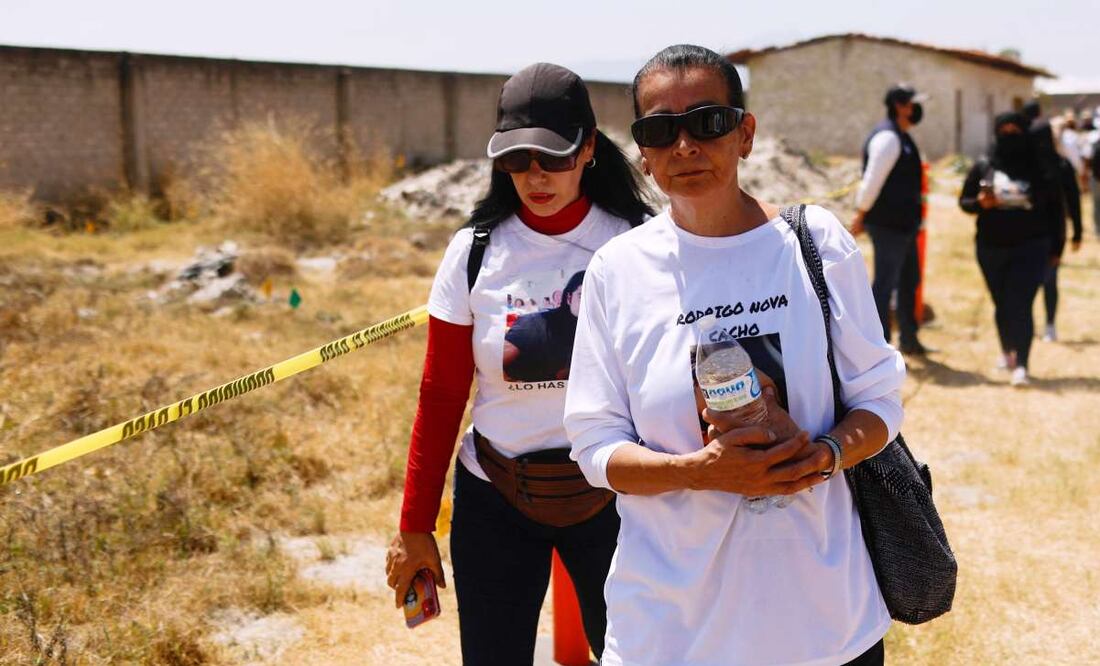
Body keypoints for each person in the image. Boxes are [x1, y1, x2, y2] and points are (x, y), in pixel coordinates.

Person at [564, 44, 905, 666]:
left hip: (822, 626)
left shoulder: (813, 244)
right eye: (661, 130)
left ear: (745, 134)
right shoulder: (618, 271)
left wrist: (825, 456)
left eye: (709, 122)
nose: (686, 146)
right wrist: (701, 471)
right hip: (670, 632)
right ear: (642, 149)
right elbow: (594, 448)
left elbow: (880, 400)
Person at [384, 62, 653, 665]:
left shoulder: (638, 241)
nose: (535, 175)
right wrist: (414, 525)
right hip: (495, 499)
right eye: (516, 157)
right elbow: (441, 393)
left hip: (616, 500)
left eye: (553, 156)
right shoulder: (473, 253)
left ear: (588, 149)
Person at [959, 112, 1060, 386]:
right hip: (991, 247)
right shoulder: (984, 165)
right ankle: (1007, 351)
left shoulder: (1040, 169)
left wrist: (1058, 246)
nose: (1010, 136)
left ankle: (1023, 365)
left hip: (1031, 246)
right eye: (1004, 130)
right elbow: (965, 202)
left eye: (1016, 131)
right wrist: (981, 203)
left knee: (1022, 303)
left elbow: (1055, 209)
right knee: (1001, 303)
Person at [850, 83, 928, 356]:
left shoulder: (903, 136)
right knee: (885, 284)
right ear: (900, 105)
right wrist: (860, 214)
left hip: (905, 226)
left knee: (909, 281)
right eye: (912, 103)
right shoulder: (888, 138)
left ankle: (909, 339)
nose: (917, 109)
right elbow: (871, 181)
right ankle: (880, 347)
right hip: (888, 225)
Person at [503, 269, 585, 381]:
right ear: (569, 298)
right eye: (581, 295)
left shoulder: (596, 331)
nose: (588, 301)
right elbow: (496, 367)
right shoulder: (534, 325)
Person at [1041, 155, 1083, 341]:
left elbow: (1073, 199)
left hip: (1052, 234)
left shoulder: (1062, 165)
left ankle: (1050, 323)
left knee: (1049, 280)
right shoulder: (1022, 160)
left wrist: (1077, 232)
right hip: (1022, 235)